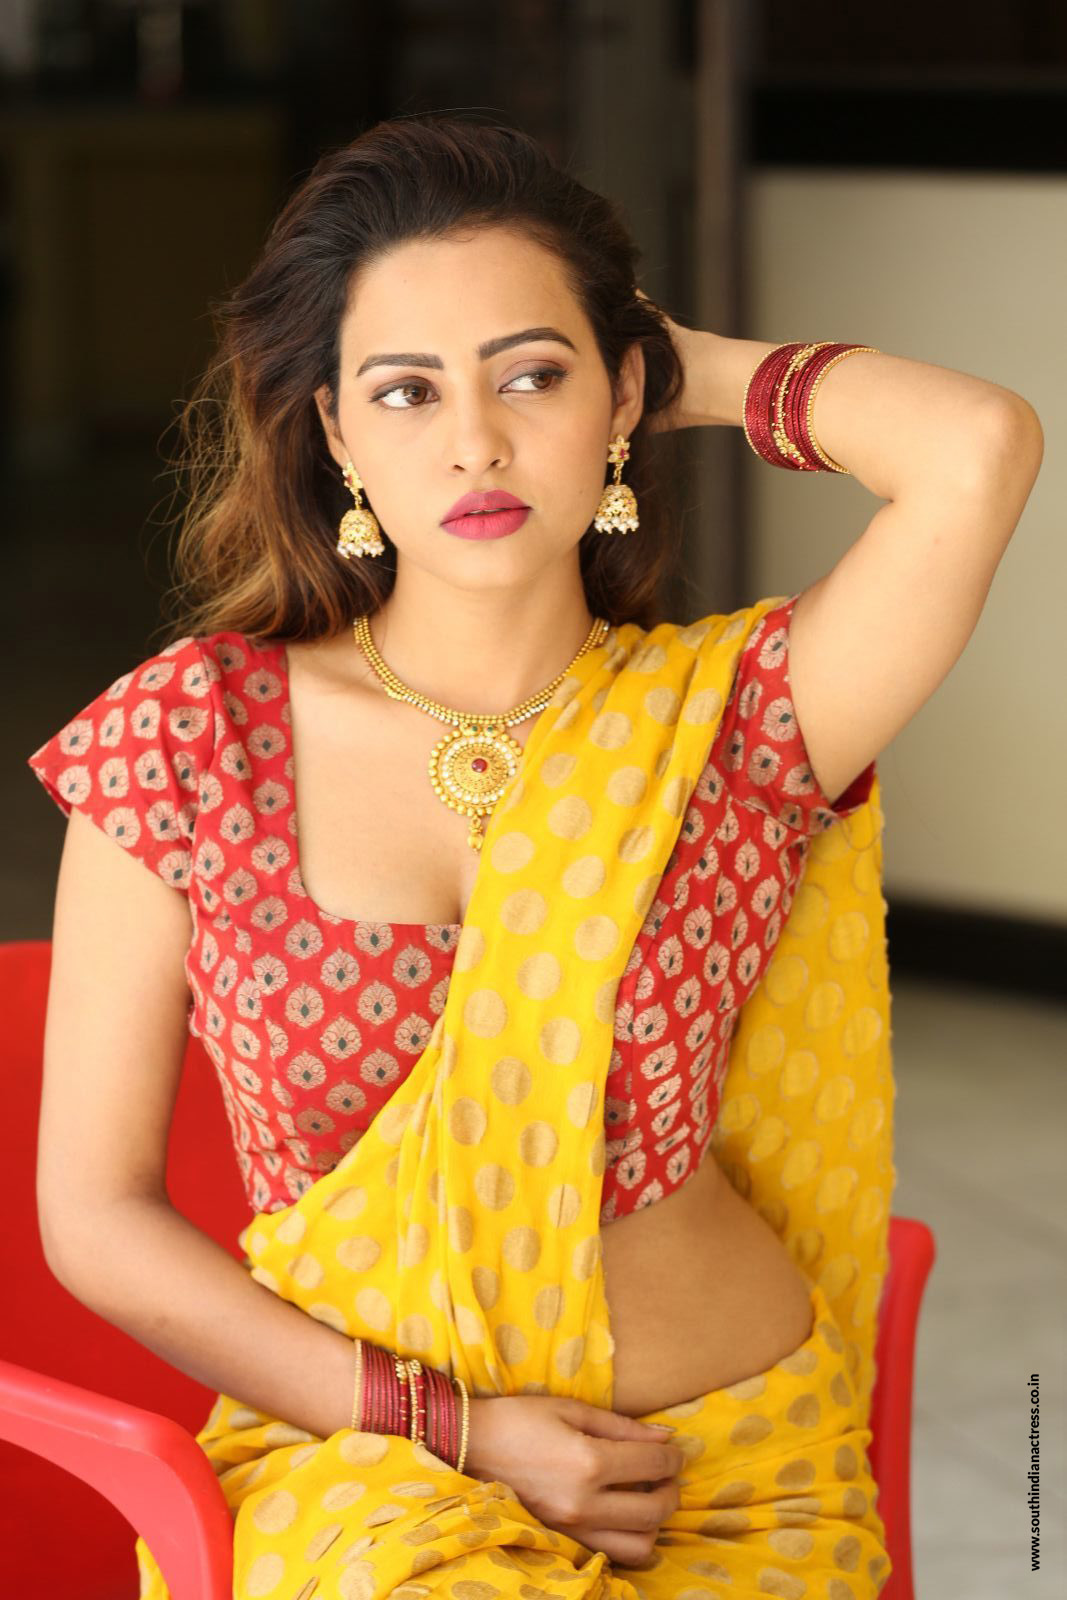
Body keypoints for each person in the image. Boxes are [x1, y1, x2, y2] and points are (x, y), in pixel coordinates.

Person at [28, 112, 1042, 1600]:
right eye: (407, 390)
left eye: (532, 375)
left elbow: (978, 448)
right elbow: (95, 1221)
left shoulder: (736, 721)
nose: (476, 442)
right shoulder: (192, 740)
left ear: (623, 392)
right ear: (333, 432)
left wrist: (673, 365)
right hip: (375, 1478)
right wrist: (456, 1430)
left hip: (727, 1471)